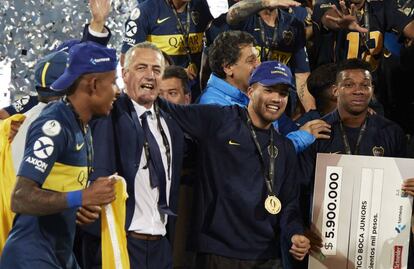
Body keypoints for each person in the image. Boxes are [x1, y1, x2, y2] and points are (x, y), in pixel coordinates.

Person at [157, 60, 315, 269]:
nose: (276, 99)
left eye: (283, 93)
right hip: (218, 253)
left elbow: (290, 205)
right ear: (250, 91)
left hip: (268, 257)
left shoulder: (284, 147)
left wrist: (295, 233)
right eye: (269, 90)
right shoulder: (220, 119)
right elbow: (167, 109)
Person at [0, 42, 118, 269]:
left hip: (59, 254)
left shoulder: (82, 125)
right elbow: (21, 197)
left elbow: (56, 189)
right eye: (113, 82)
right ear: (93, 85)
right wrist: (81, 198)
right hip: (30, 257)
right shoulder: (53, 125)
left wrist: (78, 206)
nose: (117, 90)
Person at [90, 41, 185, 269]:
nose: (150, 76)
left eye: (156, 70)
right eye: (141, 68)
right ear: (124, 74)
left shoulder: (172, 126)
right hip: (119, 241)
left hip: (161, 246)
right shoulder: (109, 114)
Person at [299, 58, 407, 229]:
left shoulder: (392, 133)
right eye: (349, 85)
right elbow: (301, 190)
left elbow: (402, 186)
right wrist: (303, 229)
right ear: (335, 90)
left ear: (372, 90)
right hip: (328, 233)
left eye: (365, 85)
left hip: (375, 232)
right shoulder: (316, 133)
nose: (358, 91)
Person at [200, 30, 330, 153]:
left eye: (257, 58)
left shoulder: (252, 93)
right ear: (228, 67)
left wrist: (308, 131)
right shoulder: (213, 105)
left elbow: (286, 128)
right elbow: (249, 153)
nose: (258, 65)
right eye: (251, 60)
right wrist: (301, 138)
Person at [226, 0, 316, 113]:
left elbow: (302, 75)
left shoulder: (293, 24)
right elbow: (232, 14)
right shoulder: (246, 19)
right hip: (243, 101)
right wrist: (267, 3)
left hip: (277, 102)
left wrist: (312, 112)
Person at [121, 0, 214, 100]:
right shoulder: (146, 11)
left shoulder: (200, 5)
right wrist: (172, 73)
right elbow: (126, 60)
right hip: (161, 96)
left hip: (195, 94)